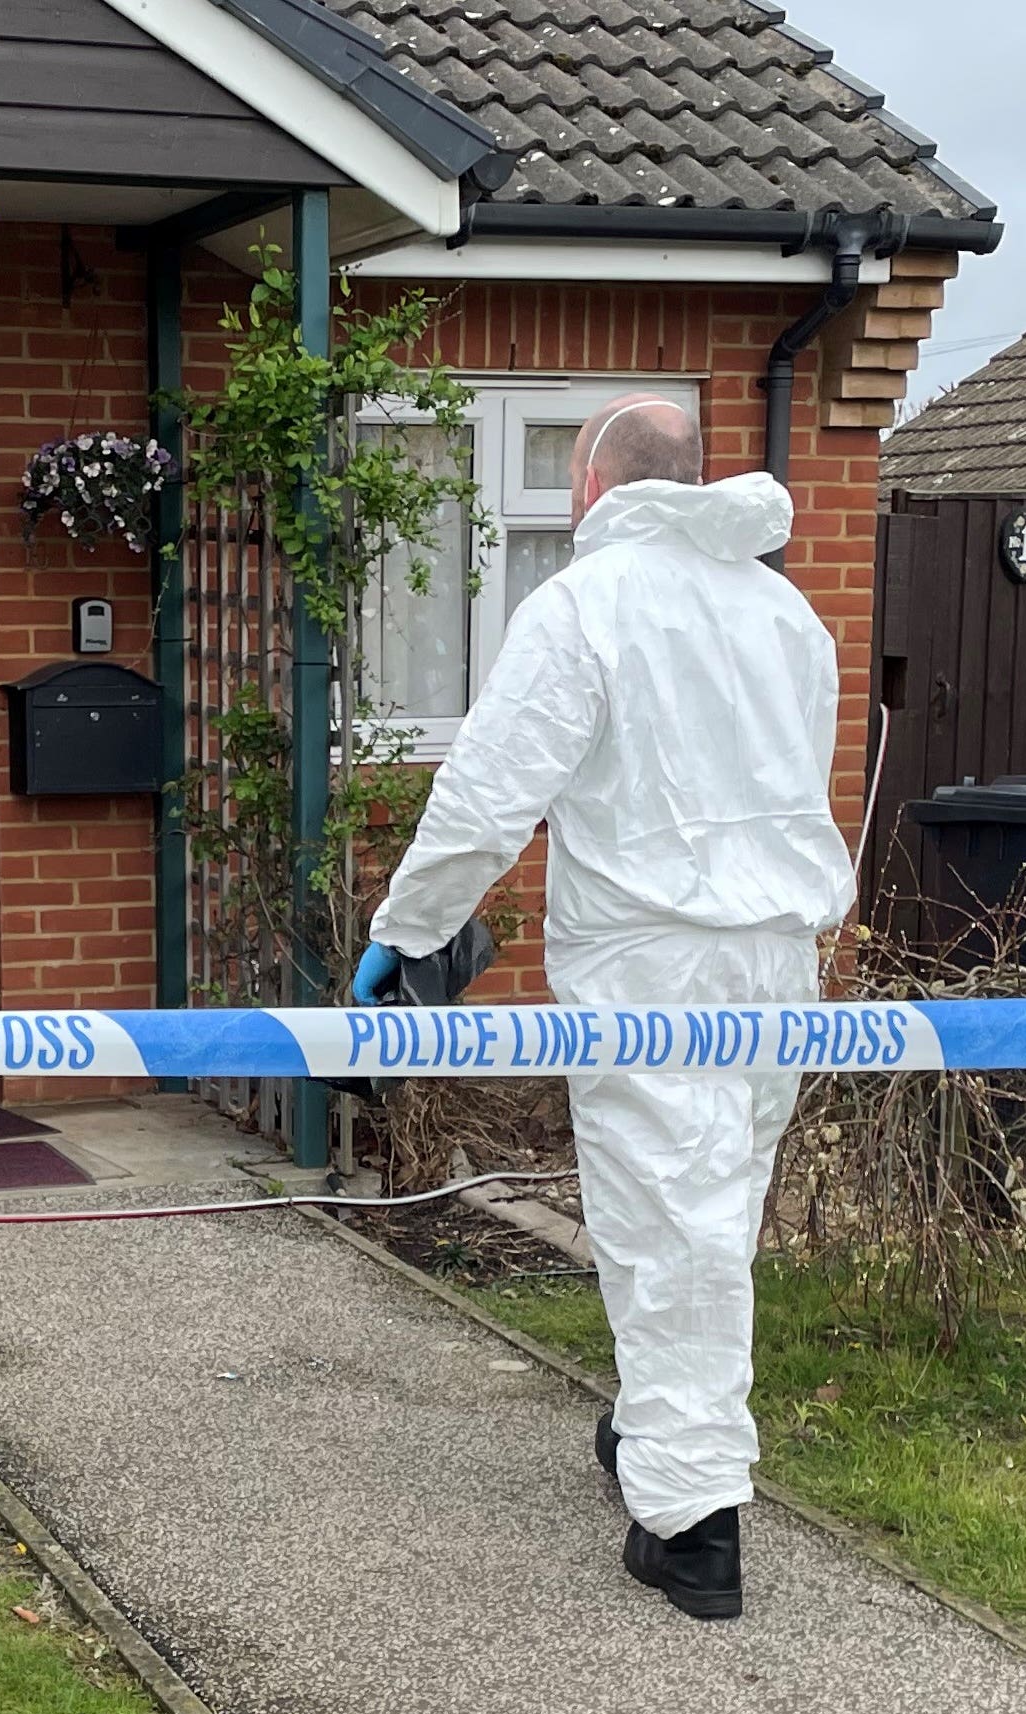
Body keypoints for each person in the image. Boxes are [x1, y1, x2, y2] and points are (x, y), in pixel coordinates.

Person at [352, 396, 851, 1622]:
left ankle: (694, 1530)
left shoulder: (585, 605)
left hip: (652, 966)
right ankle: (650, 1425)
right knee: (713, 1208)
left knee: (664, 1221)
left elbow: (487, 796)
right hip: (781, 965)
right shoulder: (786, 613)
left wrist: (405, 935)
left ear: (593, 485)